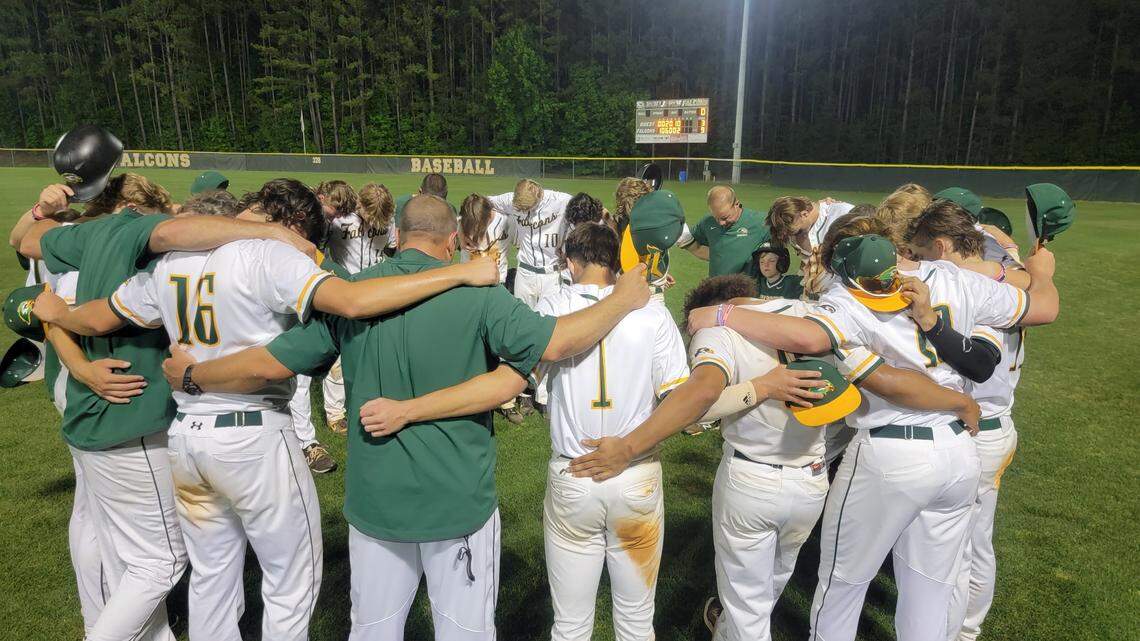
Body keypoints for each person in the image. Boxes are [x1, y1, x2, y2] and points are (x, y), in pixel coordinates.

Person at [156, 194, 651, 641]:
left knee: (373, 631)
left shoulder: (351, 295)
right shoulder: (479, 292)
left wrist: (197, 375)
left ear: (396, 236)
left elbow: (268, 364)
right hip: (457, 501)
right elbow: (560, 341)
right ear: (453, 239)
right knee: (466, 632)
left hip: (377, 503)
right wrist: (625, 298)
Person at [33, 182, 500, 641]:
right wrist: (459, 273)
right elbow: (355, 301)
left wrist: (58, 314)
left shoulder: (172, 260)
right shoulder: (271, 253)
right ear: (292, 223)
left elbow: (98, 317)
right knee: (292, 583)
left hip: (186, 437)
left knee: (212, 576)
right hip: (252, 431)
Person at [683, 214, 1058, 641]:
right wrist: (1040, 273)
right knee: (931, 590)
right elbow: (1044, 308)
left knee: (841, 587)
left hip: (891, 450)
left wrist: (723, 313)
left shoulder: (848, 297)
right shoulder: (956, 278)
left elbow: (809, 339)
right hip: (958, 451)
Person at [568, 273, 983, 641]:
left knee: (749, 609)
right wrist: (959, 403)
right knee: (765, 595)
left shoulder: (717, 327)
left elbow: (700, 401)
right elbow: (886, 380)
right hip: (811, 482)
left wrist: (759, 388)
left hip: (751, 480)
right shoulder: (814, 315)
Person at [17, 174, 321, 641]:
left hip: (157, 428)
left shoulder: (131, 253)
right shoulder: (248, 251)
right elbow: (340, 309)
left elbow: (69, 287)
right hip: (210, 424)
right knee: (258, 577)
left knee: (190, 568)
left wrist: (64, 325)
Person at [529, 223, 690, 641]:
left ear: (569, 262)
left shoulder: (551, 303)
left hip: (573, 472)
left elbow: (531, 376)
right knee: (637, 621)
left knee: (569, 624)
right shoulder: (653, 310)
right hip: (635, 471)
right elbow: (679, 399)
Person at [903, 202, 1032, 641]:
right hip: (975, 424)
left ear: (941, 245)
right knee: (956, 550)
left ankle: (964, 632)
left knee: (965, 552)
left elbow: (978, 361)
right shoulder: (997, 279)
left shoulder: (972, 285)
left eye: (921, 252)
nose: (916, 262)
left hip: (983, 425)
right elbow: (1044, 301)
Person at [319, 181, 398, 436]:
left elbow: (392, 249)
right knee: (339, 359)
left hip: (378, 292)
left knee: (376, 351)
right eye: (370, 215)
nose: (375, 221)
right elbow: (318, 251)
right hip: (345, 293)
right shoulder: (338, 220)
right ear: (360, 205)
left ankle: (371, 400)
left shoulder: (388, 219)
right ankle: (335, 412)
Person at [458, 193, 522, 424]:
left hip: (498, 286)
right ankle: (471, 393)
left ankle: (506, 400)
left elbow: (518, 241)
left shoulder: (504, 219)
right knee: (472, 342)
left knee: (501, 341)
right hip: (468, 288)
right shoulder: (460, 223)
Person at [766, 195, 855, 296]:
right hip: (814, 294)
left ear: (804, 214)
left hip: (845, 294)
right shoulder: (794, 226)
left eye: (795, 232)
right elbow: (808, 259)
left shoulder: (843, 212)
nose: (789, 235)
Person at [680, 185, 770, 277]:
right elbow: (694, 245)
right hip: (717, 288)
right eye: (716, 218)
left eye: (725, 217)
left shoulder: (760, 222)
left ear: (736, 204)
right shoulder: (708, 222)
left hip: (747, 290)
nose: (721, 223)